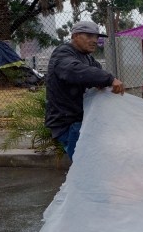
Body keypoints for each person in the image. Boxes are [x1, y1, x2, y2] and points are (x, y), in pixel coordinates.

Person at [45, 19, 125, 159]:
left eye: (96, 37)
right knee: (86, 166)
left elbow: (95, 72)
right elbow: (74, 70)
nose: (94, 40)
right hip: (69, 124)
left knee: (93, 165)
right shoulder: (63, 54)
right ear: (75, 36)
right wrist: (109, 79)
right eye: (89, 36)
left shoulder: (87, 58)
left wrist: (103, 82)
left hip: (83, 121)